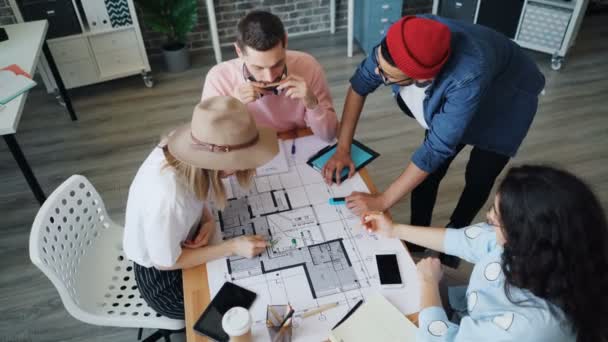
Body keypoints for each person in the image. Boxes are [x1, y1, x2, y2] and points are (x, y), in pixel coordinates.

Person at [322, 15, 545, 267]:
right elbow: (359, 85)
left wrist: (383, 201)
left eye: (387, 76)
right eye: (380, 66)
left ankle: (459, 235)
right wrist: (342, 149)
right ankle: (418, 235)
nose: (377, 73)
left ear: (422, 80)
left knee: (479, 176)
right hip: (474, 78)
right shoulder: (403, 41)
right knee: (431, 173)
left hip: (507, 97)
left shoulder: (466, 75)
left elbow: (435, 149)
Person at [363, 165, 608, 342]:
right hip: (469, 309)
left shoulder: (534, 327)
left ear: (528, 238)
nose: (488, 217)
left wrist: (428, 283)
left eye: (497, 218)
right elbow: (461, 240)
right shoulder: (545, 248)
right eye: (494, 208)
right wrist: (394, 229)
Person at [123, 96, 279, 319]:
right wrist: (232, 247)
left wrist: (207, 219)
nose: (240, 169)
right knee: (249, 307)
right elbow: (165, 262)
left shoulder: (188, 153)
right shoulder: (169, 197)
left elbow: (196, 189)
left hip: (182, 238)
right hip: (163, 281)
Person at [201, 10, 338, 142]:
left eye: (277, 64)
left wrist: (313, 104)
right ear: (239, 51)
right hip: (246, 151)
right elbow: (207, 140)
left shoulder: (308, 66)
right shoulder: (218, 77)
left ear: (285, 41)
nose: (270, 78)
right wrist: (231, 106)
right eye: (258, 67)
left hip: (295, 143)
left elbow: (330, 135)